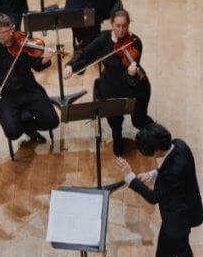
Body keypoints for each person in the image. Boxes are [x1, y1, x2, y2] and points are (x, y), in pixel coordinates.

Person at [115, 123, 203, 257]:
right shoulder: (180, 145)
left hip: (175, 219)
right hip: (186, 213)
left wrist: (130, 178)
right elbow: (173, 171)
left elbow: (153, 197)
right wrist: (154, 173)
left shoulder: (171, 173)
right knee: (182, 247)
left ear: (156, 152)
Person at [65, 9, 154, 156]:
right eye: (117, 26)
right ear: (112, 24)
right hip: (111, 83)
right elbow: (86, 53)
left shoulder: (135, 42)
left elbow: (131, 72)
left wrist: (131, 73)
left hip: (133, 84)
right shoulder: (104, 38)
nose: (121, 30)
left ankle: (156, 134)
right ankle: (116, 136)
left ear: (128, 24)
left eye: (124, 26)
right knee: (114, 119)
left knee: (139, 121)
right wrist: (71, 65)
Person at [0, 13, 60, 145]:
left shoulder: (21, 41)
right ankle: (24, 121)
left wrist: (45, 58)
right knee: (13, 133)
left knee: (52, 121)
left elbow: (36, 65)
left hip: (27, 89)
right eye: (5, 32)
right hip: (4, 95)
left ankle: (28, 125)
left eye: (11, 29)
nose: (10, 34)